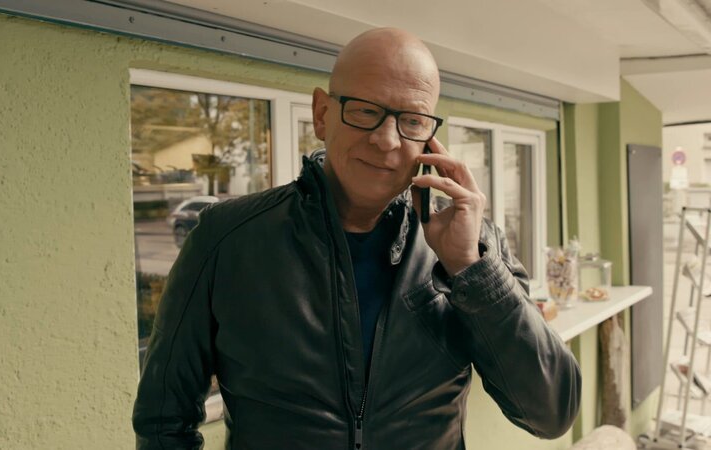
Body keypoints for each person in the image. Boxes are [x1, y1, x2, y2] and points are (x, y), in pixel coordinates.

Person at [133, 28, 581, 450]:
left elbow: (551, 414)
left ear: (429, 138)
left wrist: (471, 270)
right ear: (322, 114)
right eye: (366, 111)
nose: (386, 140)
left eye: (412, 120)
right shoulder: (228, 238)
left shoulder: (471, 246)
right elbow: (163, 421)